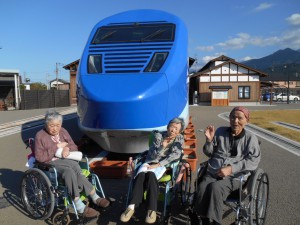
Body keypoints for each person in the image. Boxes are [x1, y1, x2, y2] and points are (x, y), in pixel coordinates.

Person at [34, 109, 110, 219]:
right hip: (50, 163)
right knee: (69, 171)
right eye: (52, 125)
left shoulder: (63, 131)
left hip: (66, 160)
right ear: (46, 124)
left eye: (58, 125)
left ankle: (95, 196)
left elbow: (74, 146)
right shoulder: (40, 136)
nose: (55, 128)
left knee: (75, 167)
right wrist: (56, 148)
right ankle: (78, 204)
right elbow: (39, 157)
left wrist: (67, 149)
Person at [193, 106, 261, 225]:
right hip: (213, 172)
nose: (235, 121)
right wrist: (209, 141)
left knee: (215, 188)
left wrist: (231, 168)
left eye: (240, 118)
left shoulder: (251, 138)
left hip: (234, 177)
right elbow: (209, 153)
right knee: (202, 187)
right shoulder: (220, 132)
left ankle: (215, 221)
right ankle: (203, 219)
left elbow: (253, 161)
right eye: (233, 117)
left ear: (247, 120)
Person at [120, 117, 185, 224]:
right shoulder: (158, 135)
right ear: (168, 127)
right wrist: (162, 147)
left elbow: (175, 155)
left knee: (150, 174)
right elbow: (152, 154)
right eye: (171, 127)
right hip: (150, 161)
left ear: (179, 131)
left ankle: (151, 210)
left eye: (176, 128)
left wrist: (158, 164)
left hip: (164, 165)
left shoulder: (179, 139)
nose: (173, 130)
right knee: (141, 175)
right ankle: (131, 208)